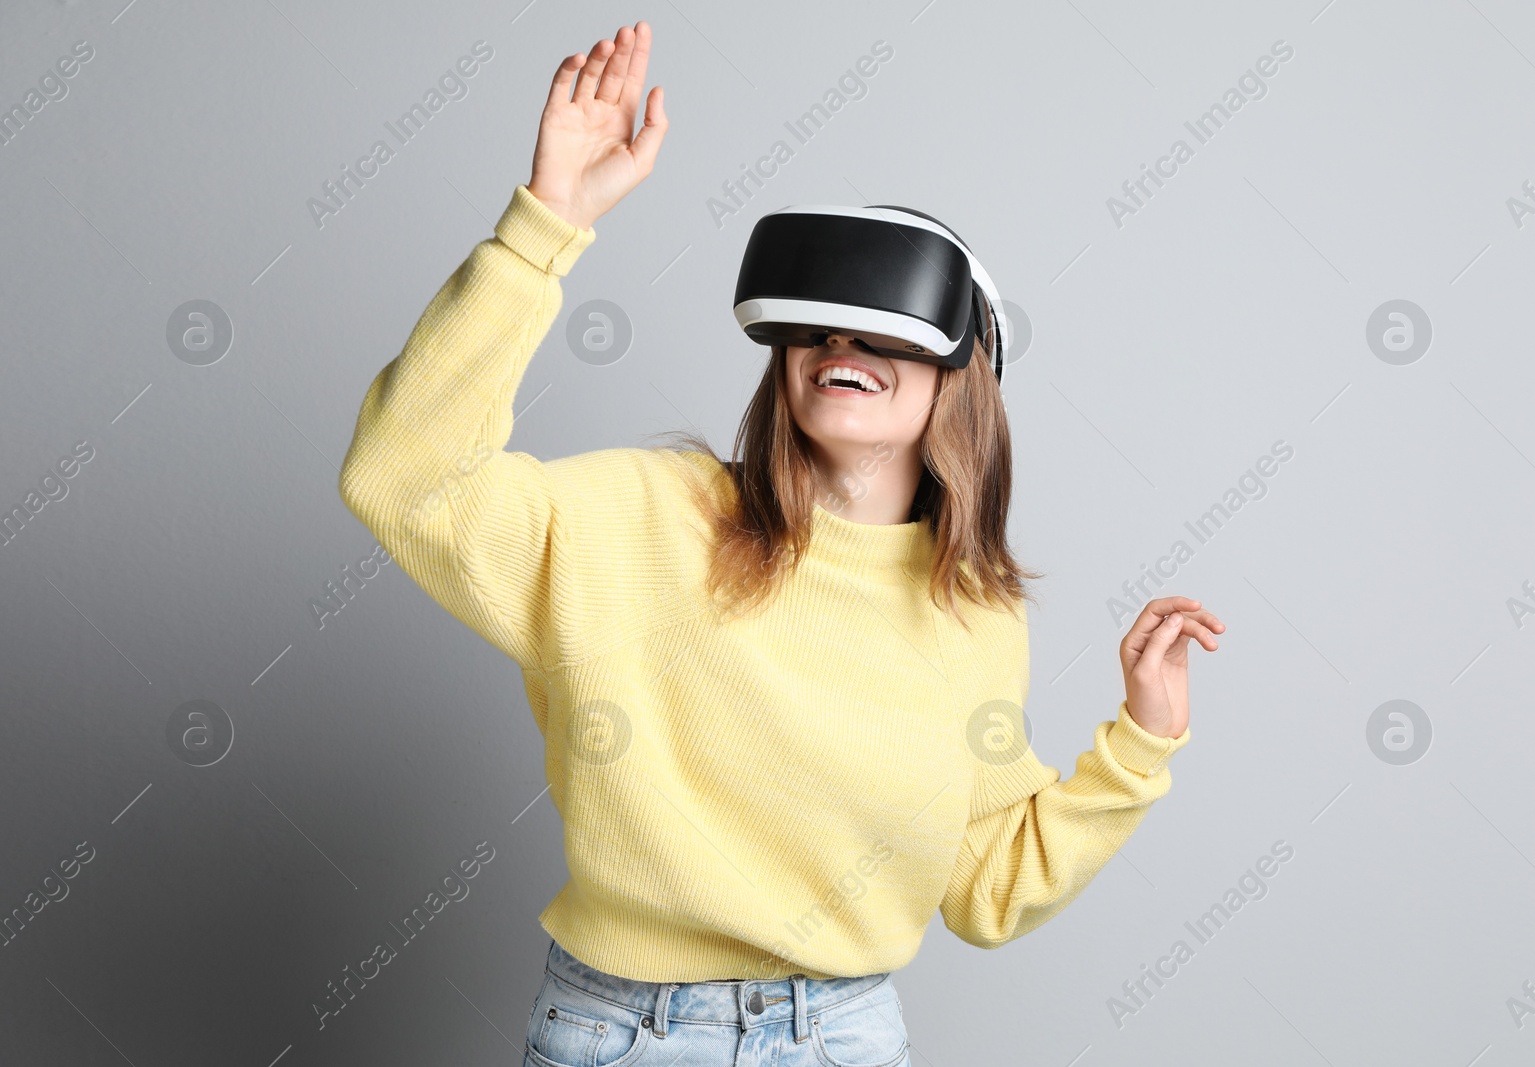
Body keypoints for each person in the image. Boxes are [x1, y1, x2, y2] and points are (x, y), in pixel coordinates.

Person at [337, 21, 1225, 1067]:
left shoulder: (970, 610)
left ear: (960, 377)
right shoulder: (646, 515)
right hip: (623, 1032)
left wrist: (1138, 743)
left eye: (881, 332)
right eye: (814, 330)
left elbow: (988, 889)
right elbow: (406, 476)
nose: (840, 348)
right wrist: (546, 227)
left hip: (843, 1035)